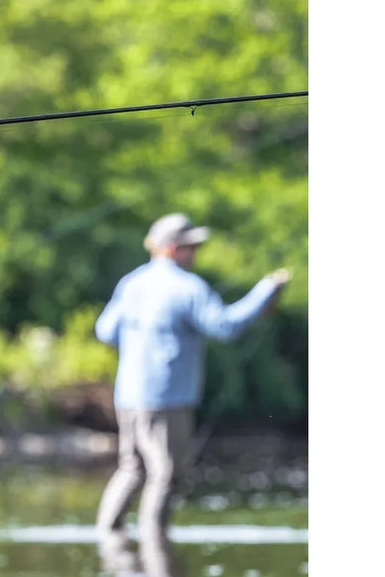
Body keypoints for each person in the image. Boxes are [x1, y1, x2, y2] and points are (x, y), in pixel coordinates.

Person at [93, 213, 290, 547]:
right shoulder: (188, 287)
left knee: (132, 468)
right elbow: (225, 327)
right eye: (191, 247)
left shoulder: (131, 283)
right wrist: (265, 292)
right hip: (167, 397)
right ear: (172, 249)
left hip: (128, 394)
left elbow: (105, 331)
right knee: (166, 474)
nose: (195, 254)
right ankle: (155, 544)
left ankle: (106, 537)